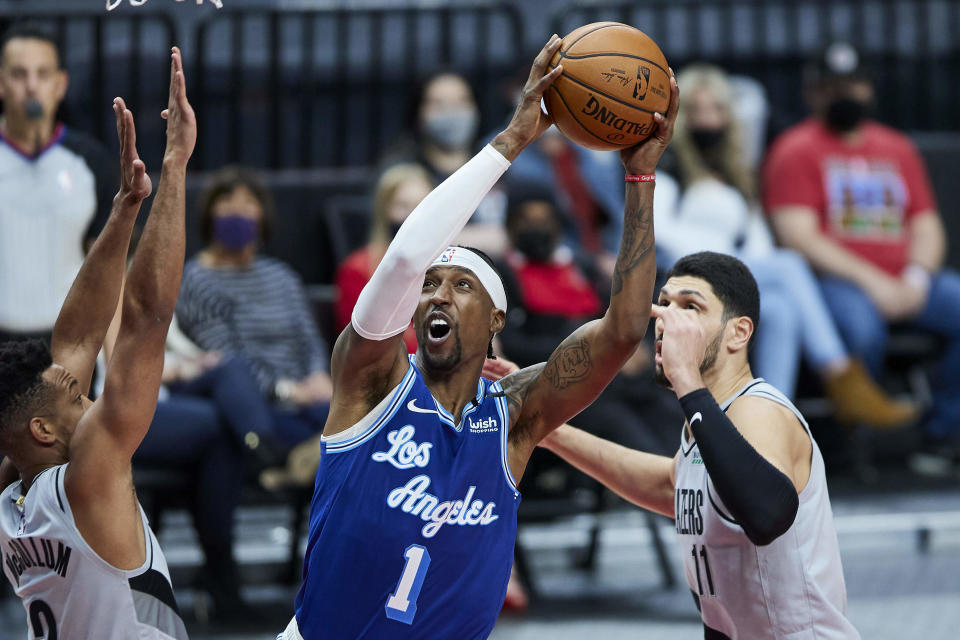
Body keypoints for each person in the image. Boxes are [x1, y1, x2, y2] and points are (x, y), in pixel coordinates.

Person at [279, 36, 677, 640]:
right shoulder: (368, 386)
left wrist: (640, 176)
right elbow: (405, 256)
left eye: (461, 285)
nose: (437, 294)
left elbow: (623, 330)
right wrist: (514, 139)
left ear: (496, 320)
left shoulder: (515, 418)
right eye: (430, 286)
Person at [541, 251, 860, 639]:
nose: (666, 321)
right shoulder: (708, 421)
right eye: (664, 304)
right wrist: (546, 430)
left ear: (738, 333)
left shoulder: (757, 409)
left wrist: (687, 379)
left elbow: (766, 514)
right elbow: (671, 485)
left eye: (690, 306)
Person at [0, 47, 195, 638]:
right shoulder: (89, 478)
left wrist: (125, 208)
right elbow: (145, 319)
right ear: (44, 430)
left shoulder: (15, 495)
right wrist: (177, 165)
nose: (86, 393)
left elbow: (80, 336)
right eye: (76, 396)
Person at [655, 63, 914, 428]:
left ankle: (769, 421)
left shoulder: (735, 171)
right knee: (790, 264)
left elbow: (755, 235)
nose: (708, 120)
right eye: (697, 110)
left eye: (716, 110)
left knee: (781, 310)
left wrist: (741, 265)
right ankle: (839, 372)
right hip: (688, 276)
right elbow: (657, 232)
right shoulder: (668, 166)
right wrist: (726, 261)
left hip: (735, 275)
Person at [764, 43, 960, 458]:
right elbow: (798, 235)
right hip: (834, 282)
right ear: (812, 93)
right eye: (832, 87)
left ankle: (941, 434)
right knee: (859, 327)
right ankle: (852, 443)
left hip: (907, 278)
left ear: (869, 90)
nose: (845, 96)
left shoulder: (897, 148)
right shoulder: (794, 149)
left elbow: (926, 224)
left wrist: (916, 277)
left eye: (853, 85)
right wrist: (874, 283)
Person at [175, 166, 333, 449]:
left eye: (248, 203)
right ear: (209, 215)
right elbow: (227, 357)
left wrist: (318, 376)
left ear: (263, 216)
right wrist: (287, 391)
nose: (238, 212)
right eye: (227, 203)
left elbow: (308, 337)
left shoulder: (282, 276)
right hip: (257, 403)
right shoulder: (197, 279)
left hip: (310, 394)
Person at [0, 23, 118, 344]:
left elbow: (107, 271)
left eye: (43, 74)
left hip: (68, 348)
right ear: (1, 82)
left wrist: (114, 375)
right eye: (19, 74)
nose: (31, 86)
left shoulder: (91, 162)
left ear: (61, 84)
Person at [379, 70, 508, 256]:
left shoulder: (496, 163)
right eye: (438, 104)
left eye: (461, 102)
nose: (451, 113)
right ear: (418, 112)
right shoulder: (403, 172)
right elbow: (406, 241)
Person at [334, 163, 434, 353]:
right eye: (403, 205)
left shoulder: (451, 265)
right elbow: (367, 346)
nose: (414, 215)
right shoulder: (358, 270)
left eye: (423, 205)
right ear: (384, 210)